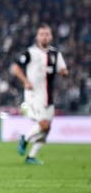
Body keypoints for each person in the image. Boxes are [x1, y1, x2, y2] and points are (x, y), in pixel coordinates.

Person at [12, 23, 68, 165]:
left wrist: (63, 72)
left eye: (47, 34)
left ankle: (31, 156)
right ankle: (24, 138)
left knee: (47, 128)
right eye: (41, 34)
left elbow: (63, 69)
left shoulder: (55, 53)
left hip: (49, 96)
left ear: (51, 37)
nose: (44, 37)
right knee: (43, 124)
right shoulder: (30, 52)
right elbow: (15, 67)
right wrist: (25, 81)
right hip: (34, 95)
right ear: (37, 37)